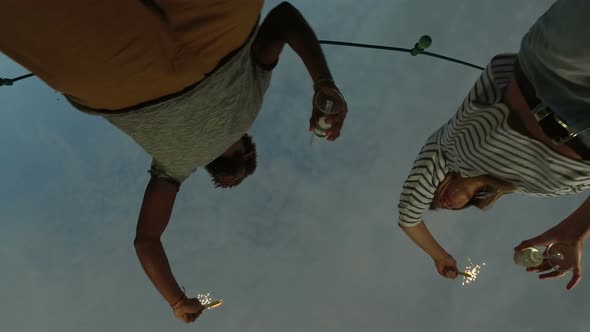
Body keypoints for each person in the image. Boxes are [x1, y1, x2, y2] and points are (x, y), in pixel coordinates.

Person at [0, 1, 348, 323]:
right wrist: (324, 83)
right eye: (240, 175)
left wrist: (178, 301)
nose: (230, 181)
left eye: (224, 183)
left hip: (118, 76)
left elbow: (147, 240)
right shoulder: (251, 102)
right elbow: (283, 18)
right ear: (248, 150)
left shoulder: (175, 169)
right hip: (211, 33)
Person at [397, 0, 590, 291]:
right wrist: (578, 229)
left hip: (555, 70)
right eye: (447, 208)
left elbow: (408, 217)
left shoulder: (446, 153)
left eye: (436, 197)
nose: (444, 203)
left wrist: (441, 256)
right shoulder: (524, 187)